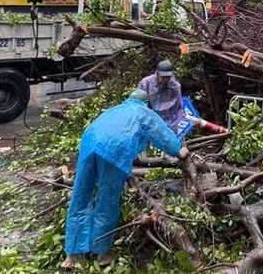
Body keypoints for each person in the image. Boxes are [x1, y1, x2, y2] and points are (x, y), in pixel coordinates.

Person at [61, 89, 189, 270]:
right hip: (114, 150)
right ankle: (102, 252)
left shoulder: (115, 109)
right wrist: (178, 150)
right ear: (146, 103)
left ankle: (73, 255)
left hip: (89, 144)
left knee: (80, 195)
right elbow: (162, 135)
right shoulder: (144, 112)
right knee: (107, 200)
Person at [137, 60, 183, 124]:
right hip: (148, 118)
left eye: (168, 77)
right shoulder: (146, 83)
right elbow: (138, 103)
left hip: (167, 120)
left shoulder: (175, 87)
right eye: (163, 77)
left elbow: (178, 107)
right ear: (158, 74)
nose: (165, 79)